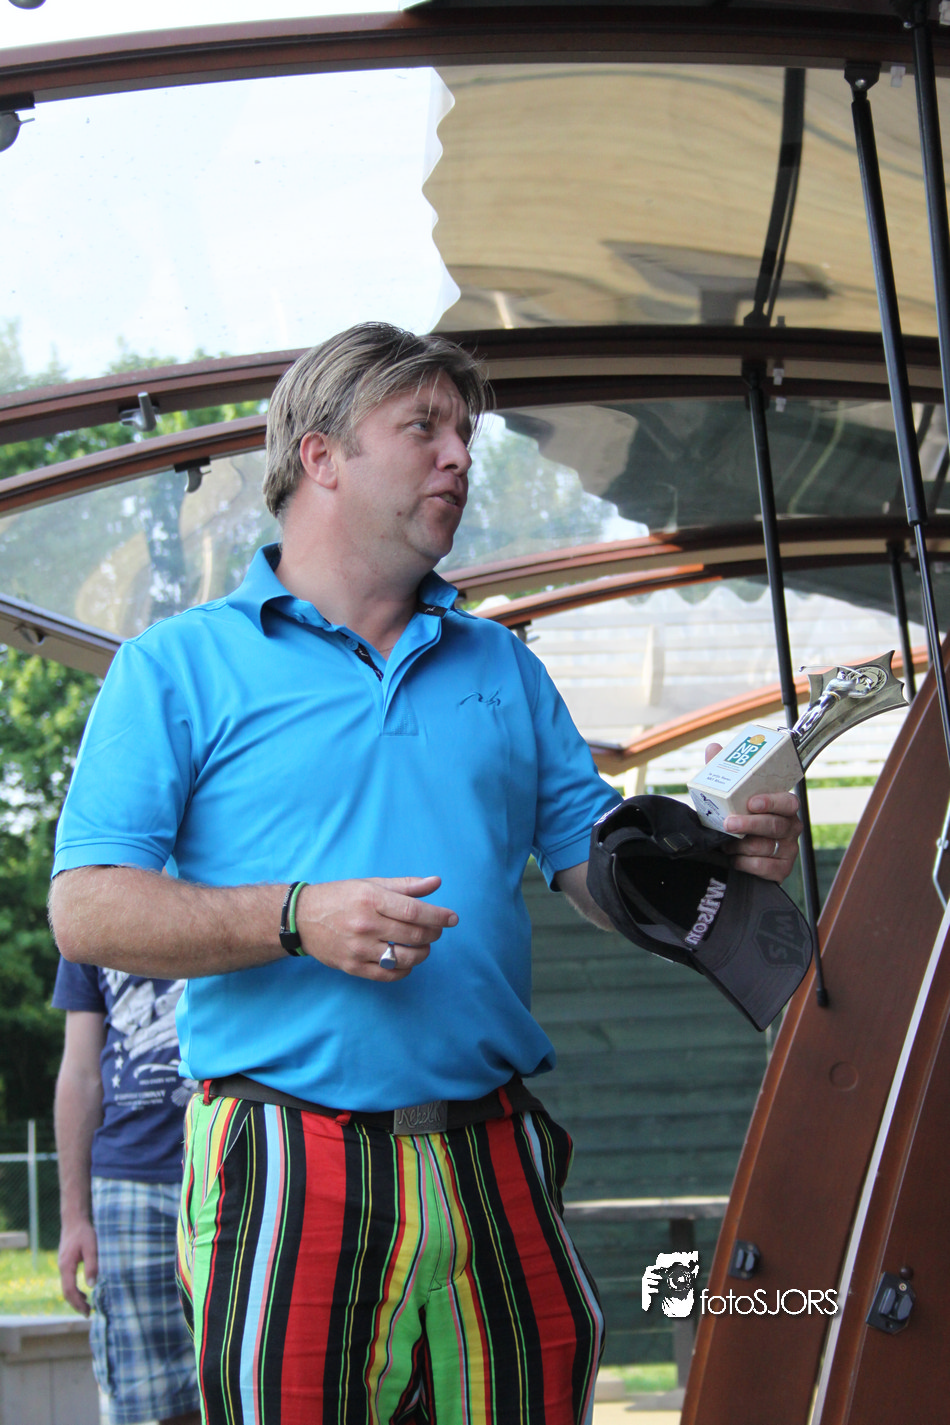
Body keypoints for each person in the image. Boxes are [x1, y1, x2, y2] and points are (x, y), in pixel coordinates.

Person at [48, 322, 801, 1425]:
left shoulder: (501, 662)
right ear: (320, 455)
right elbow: (85, 908)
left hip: (493, 1149)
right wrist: (299, 916)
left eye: (465, 434)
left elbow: (592, 864)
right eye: (424, 429)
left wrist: (705, 847)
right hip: (285, 1154)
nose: (459, 456)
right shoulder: (177, 665)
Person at [52, 960, 201, 1425]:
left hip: (241, 1157)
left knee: (255, 1379)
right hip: (131, 1180)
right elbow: (80, 1072)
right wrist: (74, 1218)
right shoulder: (93, 915)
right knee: (154, 1400)